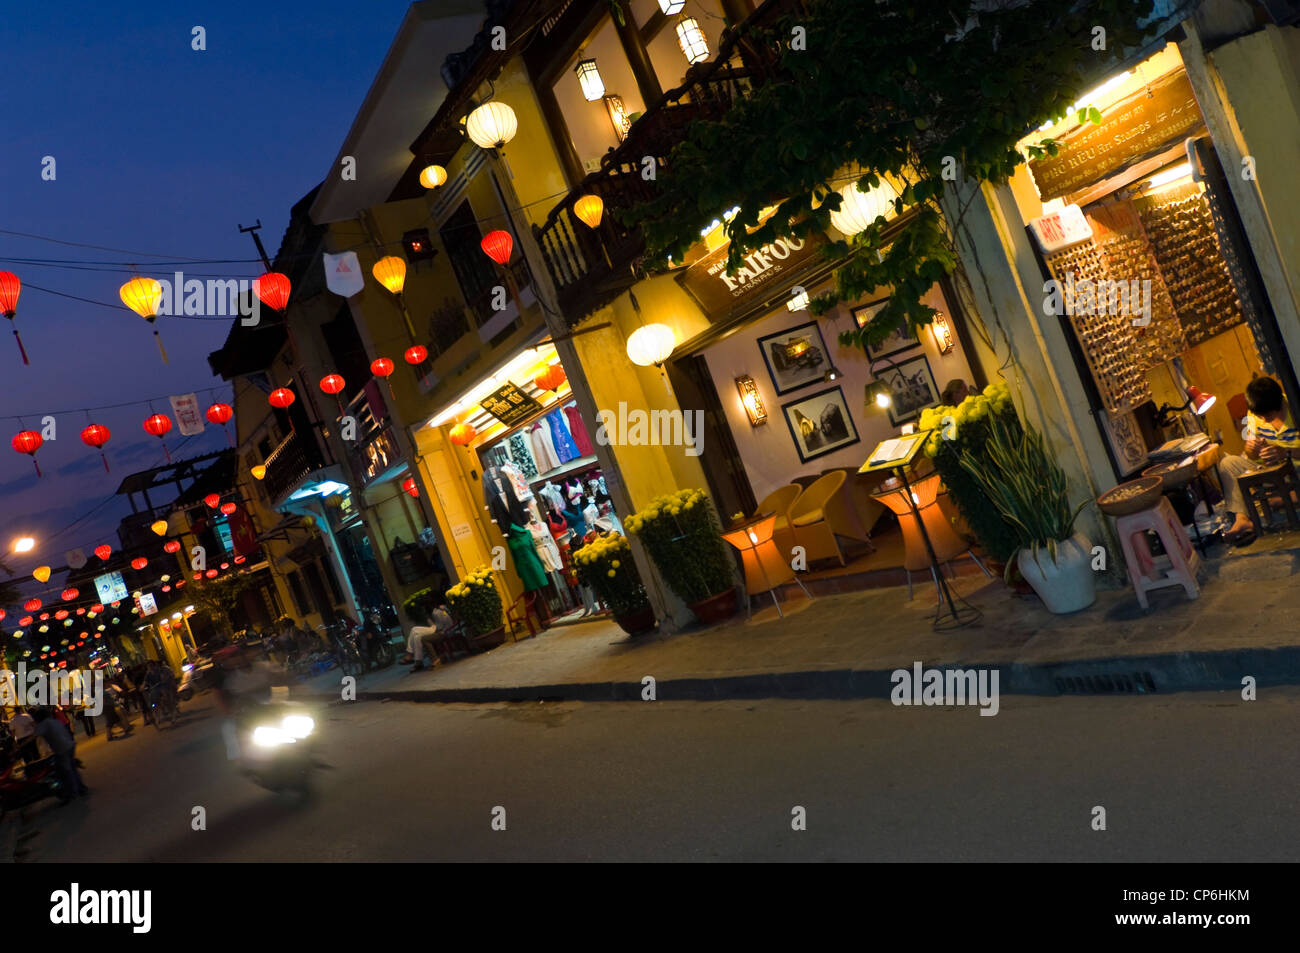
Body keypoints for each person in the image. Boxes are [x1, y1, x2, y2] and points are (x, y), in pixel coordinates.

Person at [1218, 376, 1300, 543]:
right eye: (1259, 415)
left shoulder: (1295, 407)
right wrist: (1251, 448)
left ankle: (1279, 499)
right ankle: (1242, 519)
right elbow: (1250, 455)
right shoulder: (1256, 413)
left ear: (1279, 405)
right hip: (1270, 471)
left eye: (1268, 415)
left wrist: (1286, 452)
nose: (1263, 420)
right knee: (1228, 463)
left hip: (1296, 470)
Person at [32, 707, 86, 802]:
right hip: (70, 745)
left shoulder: (44, 724)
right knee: (72, 768)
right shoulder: (54, 721)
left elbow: (34, 736)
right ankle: (81, 788)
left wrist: (19, 747)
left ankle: (72, 793)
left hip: (62, 749)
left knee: (65, 772)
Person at [400, 604, 453, 672]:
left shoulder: (438, 611)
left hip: (438, 630)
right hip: (434, 628)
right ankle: (418, 661)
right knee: (417, 637)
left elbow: (443, 624)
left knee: (414, 629)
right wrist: (428, 617)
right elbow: (434, 623)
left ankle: (410, 654)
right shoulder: (433, 612)